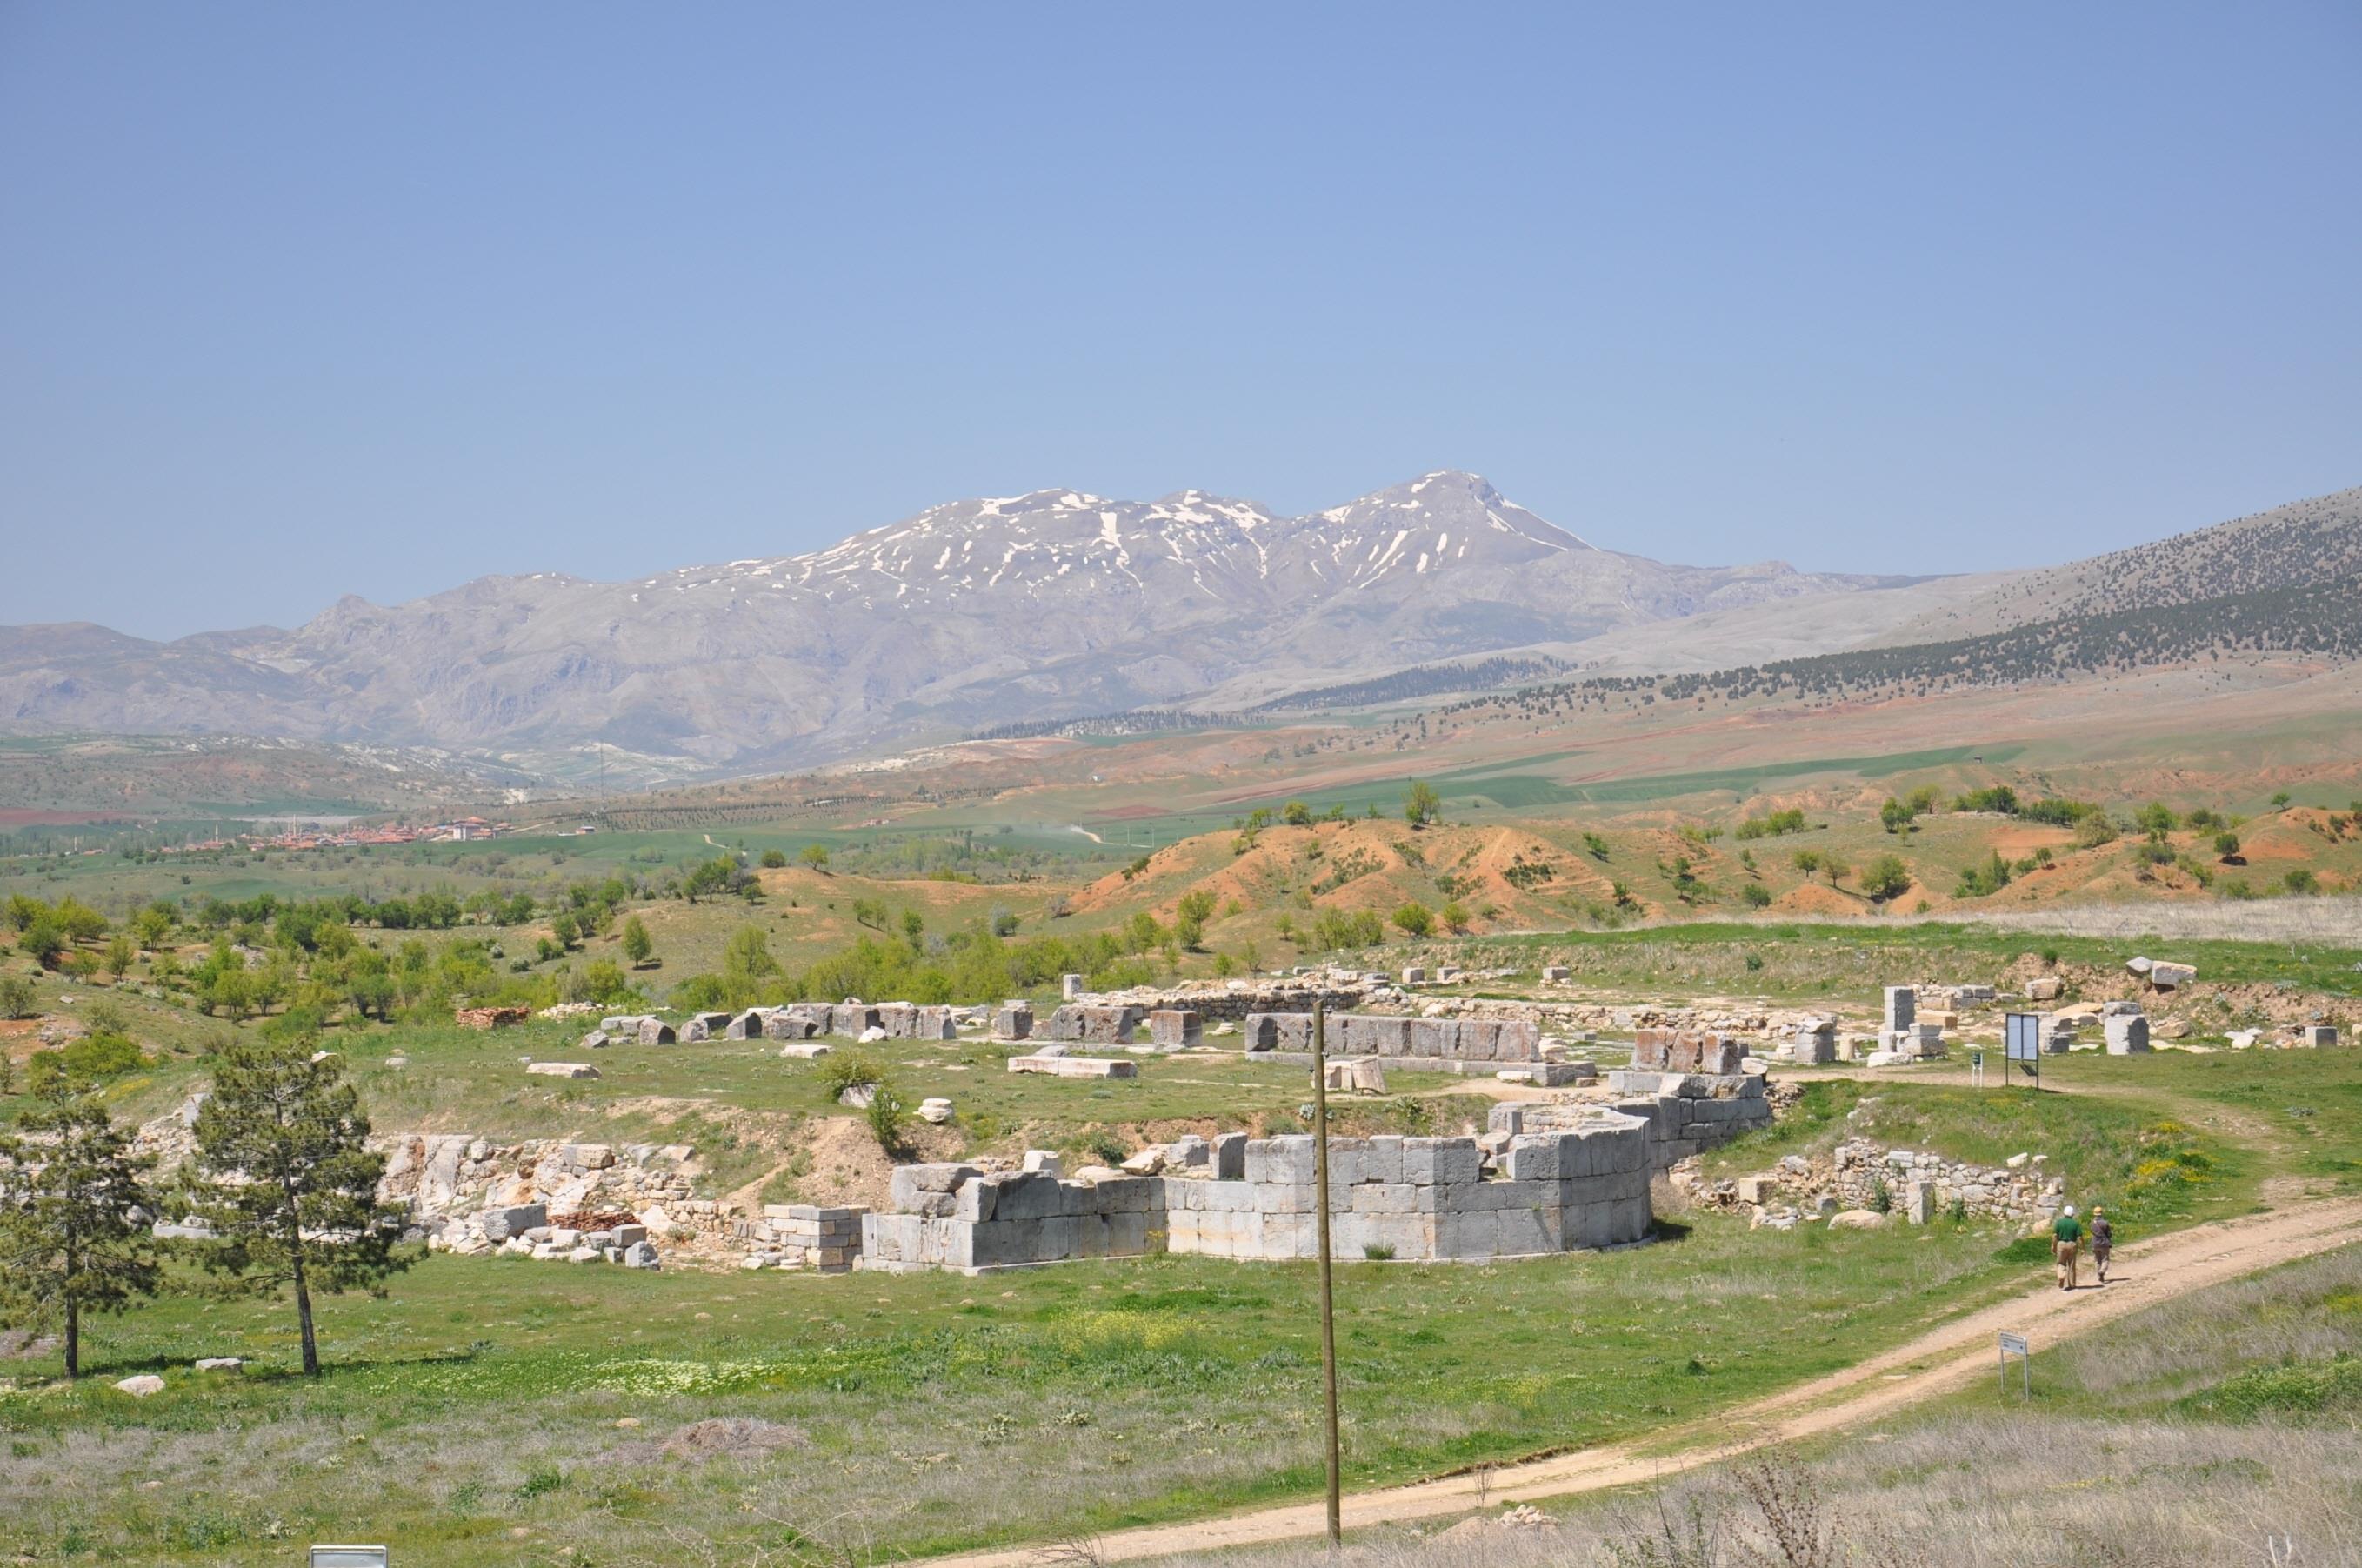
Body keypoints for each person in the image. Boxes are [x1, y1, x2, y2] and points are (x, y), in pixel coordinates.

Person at [2052, 1204, 2082, 1291]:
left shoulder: (2059, 1222)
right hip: (2072, 1244)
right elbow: (2079, 1237)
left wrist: (2053, 1246)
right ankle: (2072, 1284)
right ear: (2072, 1214)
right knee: (2071, 1265)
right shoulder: (2075, 1223)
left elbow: (2054, 1235)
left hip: (2061, 1244)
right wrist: (2082, 1248)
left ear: (2064, 1213)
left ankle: (2061, 1277)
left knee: (2061, 1263)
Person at [2089, 1205, 2112, 1284]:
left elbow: (2092, 1232)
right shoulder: (2105, 1223)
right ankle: (2102, 1271)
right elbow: (2109, 1234)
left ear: (2094, 1214)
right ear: (2101, 1213)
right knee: (2105, 1259)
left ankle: (2100, 1277)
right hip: (2104, 1243)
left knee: (2097, 1261)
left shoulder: (2092, 1223)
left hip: (2095, 1243)